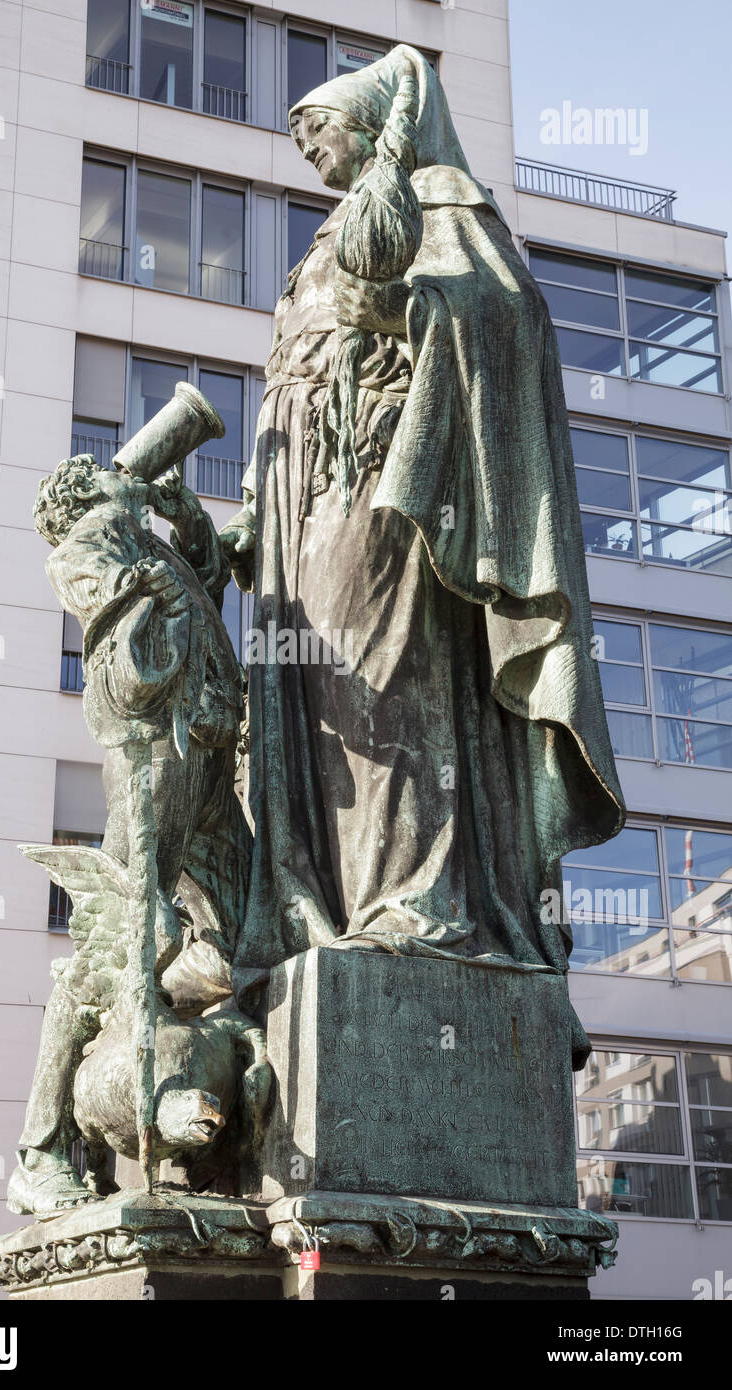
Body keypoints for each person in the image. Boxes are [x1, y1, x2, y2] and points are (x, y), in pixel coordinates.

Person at [221, 45, 625, 1051]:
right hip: (302, 498)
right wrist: (249, 506)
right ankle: (321, 896)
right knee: (310, 707)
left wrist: (408, 308)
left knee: (381, 681)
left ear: (365, 124)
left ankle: (418, 896)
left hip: (392, 496)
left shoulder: (439, 201)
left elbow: (508, 320)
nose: (305, 144)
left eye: (316, 126)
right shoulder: (322, 237)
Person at [9, 456, 250, 1212]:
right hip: (158, 758)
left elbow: (210, 582)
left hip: (209, 758)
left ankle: (169, 1092)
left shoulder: (146, 542)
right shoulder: (88, 542)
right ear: (87, 494)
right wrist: (152, 583)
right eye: (117, 476)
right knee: (121, 941)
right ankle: (43, 1147)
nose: (134, 475)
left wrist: (188, 520)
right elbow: (123, 656)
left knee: (232, 944)